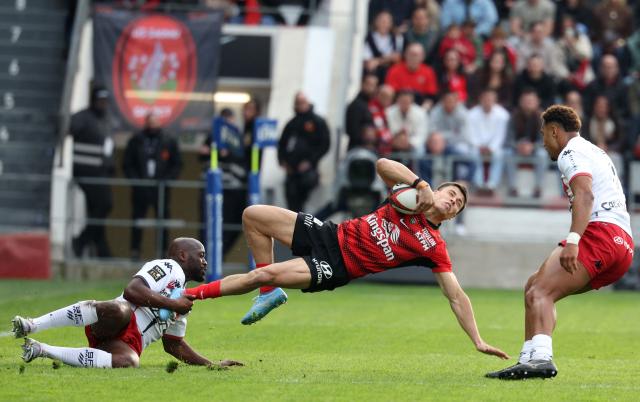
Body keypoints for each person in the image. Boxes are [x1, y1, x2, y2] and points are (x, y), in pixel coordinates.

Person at [183, 158, 510, 363]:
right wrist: (418, 183)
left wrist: (478, 340)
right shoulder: (408, 198)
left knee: (261, 273)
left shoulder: (432, 244)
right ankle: (269, 294)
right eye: (451, 194)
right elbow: (382, 164)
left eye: (458, 205)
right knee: (253, 215)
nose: (454, 202)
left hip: (337, 266)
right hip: (330, 234)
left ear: (452, 217)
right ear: (436, 192)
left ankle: (187, 297)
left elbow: (455, 295)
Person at [486, 105, 633, 380]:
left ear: (555, 131)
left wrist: (574, 240)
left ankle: (541, 358)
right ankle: (528, 358)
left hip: (600, 233)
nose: (543, 142)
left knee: (540, 291)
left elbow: (585, 196)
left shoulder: (571, 152)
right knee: (535, 286)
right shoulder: (592, 150)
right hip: (622, 244)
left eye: (544, 134)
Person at [11, 238, 242, 369]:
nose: (205, 261)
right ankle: (32, 325)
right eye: (200, 255)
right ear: (182, 255)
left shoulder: (183, 299)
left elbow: (174, 345)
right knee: (120, 309)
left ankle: (41, 349)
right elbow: (132, 291)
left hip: (129, 343)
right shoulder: (167, 267)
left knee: (130, 362)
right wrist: (173, 306)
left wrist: (212, 365)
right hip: (114, 320)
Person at [123, 113, 182, 259]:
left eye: (155, 122)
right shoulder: (136, 140)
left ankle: (163, 253)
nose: (152, 125)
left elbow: (177, 164)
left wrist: (166, 181)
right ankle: (135, 251)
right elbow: (127, 164)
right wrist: (136, 181)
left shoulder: (168, 140)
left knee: (162, 219)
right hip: (141, 188)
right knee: (138, 219)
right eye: (150, 122)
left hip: (161, 189)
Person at [70, 86, 115, 258]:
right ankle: (81, 241)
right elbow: (69, 128)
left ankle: (102, 252)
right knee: (105, 204)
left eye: (105, 101)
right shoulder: (83, 117)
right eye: (99, 100)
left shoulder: (106, 119)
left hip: (101, 173)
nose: (102, 104)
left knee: (97, 212)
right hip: (86, 171)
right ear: (93, 101)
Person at [277, 92, 330, 212]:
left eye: (303, 102)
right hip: (292, 171)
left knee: (307, 192)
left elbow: (325, 144)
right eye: (298, 103)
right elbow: (282, 144)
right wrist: (283, 162)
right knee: (292, 200)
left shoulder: (317, 122)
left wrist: (310, 162)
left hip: (309, 170)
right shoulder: (291, 124)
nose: (301, 106)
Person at [345, 74, 377, 150]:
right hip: (358, 150)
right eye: (370, 85)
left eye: (374, 85)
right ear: (363, 84)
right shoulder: (357, 105)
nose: (372, 89)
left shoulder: (366, 104)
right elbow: (353, 131)